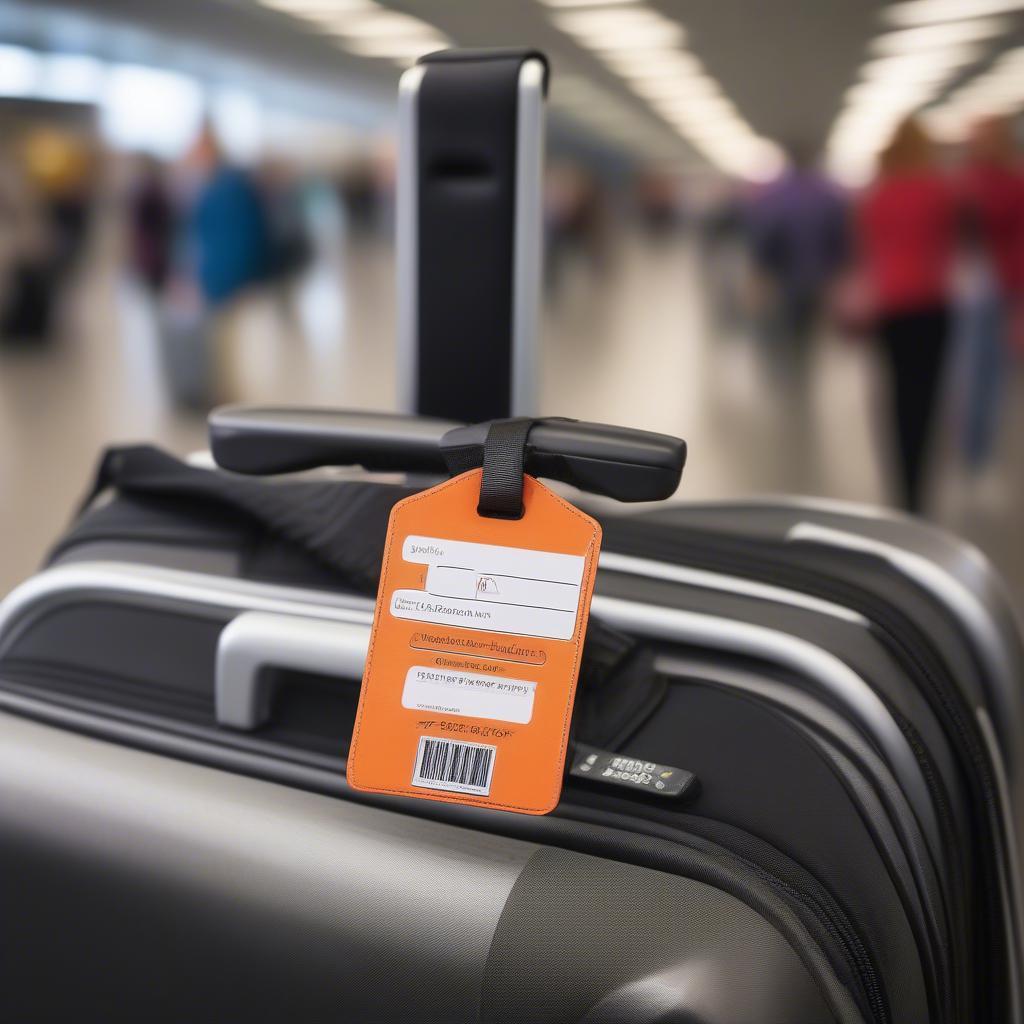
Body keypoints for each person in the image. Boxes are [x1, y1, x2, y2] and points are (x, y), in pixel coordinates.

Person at [858, 118, 957, 514]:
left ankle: (902, 486)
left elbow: (867, 248)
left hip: (891, 307)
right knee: (928, 398)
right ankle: (921, 484)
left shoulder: (878, 194)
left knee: (896, 398)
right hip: (932, 305)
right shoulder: (940, 191)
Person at [957, 116, 1024, 481]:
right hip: (961, 285)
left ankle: (979, 453)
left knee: (990, 373)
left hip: (997, 286)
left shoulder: (1010, 182)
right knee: (966, 372)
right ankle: (969, 448)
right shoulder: (963, 181)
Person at [747, 143, 849, 371]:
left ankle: (792, 368)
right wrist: (839, 272)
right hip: (818, 276)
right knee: (809, 329)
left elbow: (765, 239)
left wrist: (760, 273)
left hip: (785, 278)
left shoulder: (774, 197)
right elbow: (840, 238)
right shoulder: (828, 195)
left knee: (787, 328)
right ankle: (803, 364)